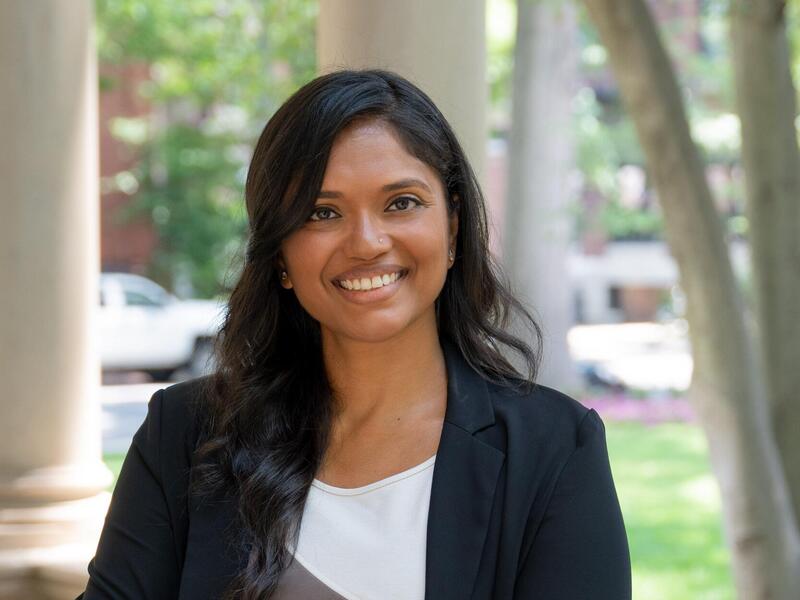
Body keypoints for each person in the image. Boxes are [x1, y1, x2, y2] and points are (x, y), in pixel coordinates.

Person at [78, 69, 631, 600]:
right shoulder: (182, 435)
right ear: (281, 257)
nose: (367, 242)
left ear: (453, 226)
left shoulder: (554, 449)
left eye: (401, 203)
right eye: (321, 213)